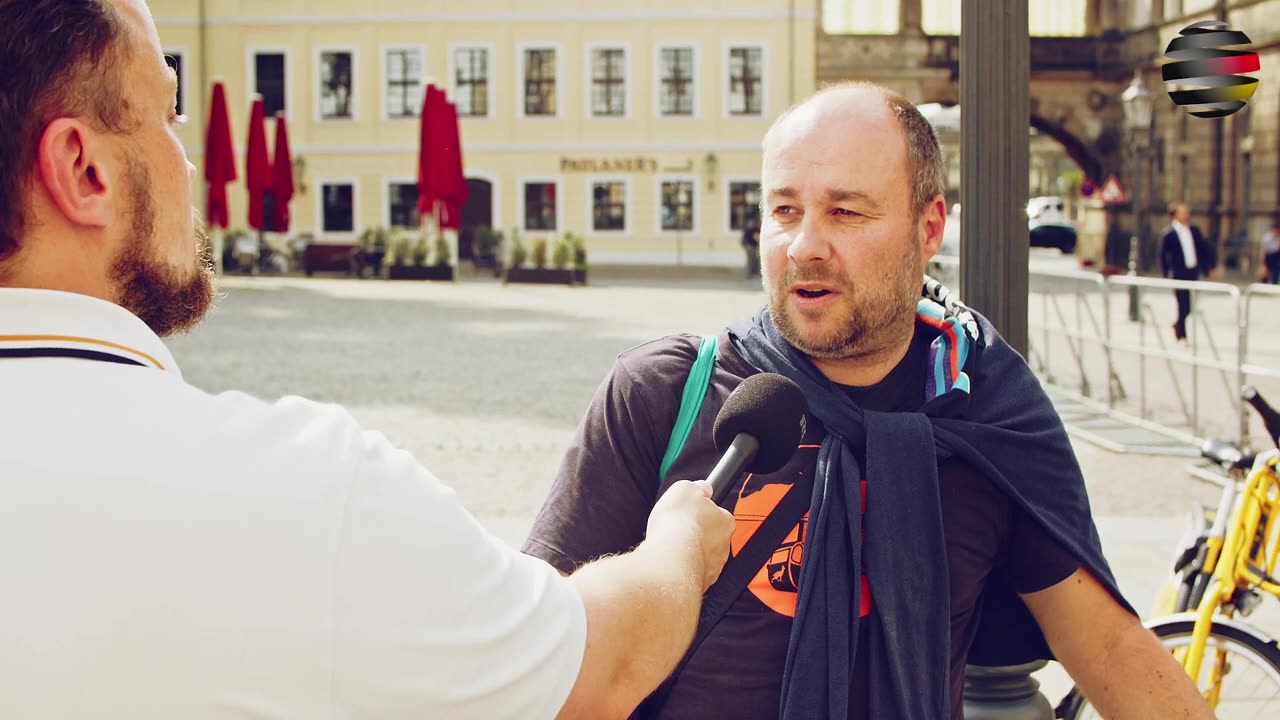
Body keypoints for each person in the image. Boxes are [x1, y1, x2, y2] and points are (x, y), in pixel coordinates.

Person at [0, 2, 735, 718]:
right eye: (165, 115)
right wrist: (678, 541)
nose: (186, 161)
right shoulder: (307, 488)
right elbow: (600, 670)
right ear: (82, 169)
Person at [524, 82, 1213, 720]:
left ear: (929, 227)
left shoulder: (984, 414)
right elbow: (530, 653)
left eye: (845, 212)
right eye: (784, 210)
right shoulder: (663, 394)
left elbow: (1111, 650)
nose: (805, 245)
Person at [1159, 202, 1216, 341]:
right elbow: (1162, 255)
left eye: (1187, 212)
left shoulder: (1194, 230)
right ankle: (1182, 334)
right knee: (1182, 303)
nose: (1186, 215)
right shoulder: (1169, 234)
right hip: (1178, 273)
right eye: (1183, 212)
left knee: (1190, 304)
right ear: (1175, 215)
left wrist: (1209, 267)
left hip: (1192, 271)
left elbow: (1204, 249)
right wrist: (1166, 274)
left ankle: (1178, 324)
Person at [1259, 217, 1280, 284]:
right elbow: (1263, 251)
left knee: (1275, 273)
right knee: (1264, 275)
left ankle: (1274, 282)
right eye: (1275, 231)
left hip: (1276, 256)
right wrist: (1262, 263)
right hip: (1268, 256)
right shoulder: (1267, 238)